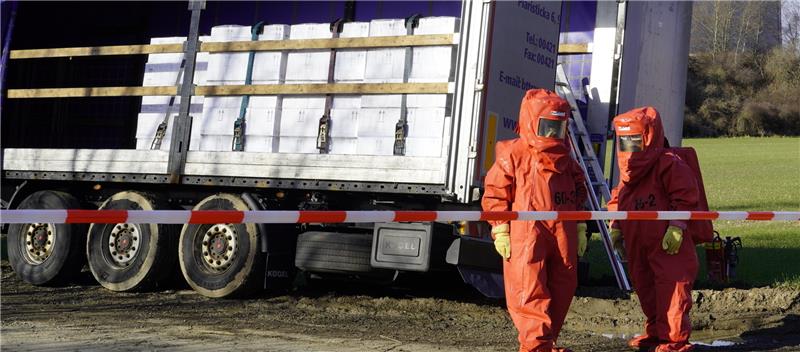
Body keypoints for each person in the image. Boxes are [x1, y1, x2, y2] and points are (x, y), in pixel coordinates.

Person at [482, 89, 588, 352]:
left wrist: (582, 224)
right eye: (548, 127)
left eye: (558, 127)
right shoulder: (514, 154)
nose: (553, 134)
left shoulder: (567, 159)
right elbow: (495, 192)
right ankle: (535, 345)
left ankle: (546, 341)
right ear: (532, 122)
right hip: (526, 232)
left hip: (563, 230)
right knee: (529, 288)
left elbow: (579, 189)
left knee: (563, 285)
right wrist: (501, 229)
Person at [607, 107, 700, 352]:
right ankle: (657, 332)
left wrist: (677, 226)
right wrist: (616, 227)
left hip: (668, 243)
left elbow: (686, 195)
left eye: (634, 140)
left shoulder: (669, 164)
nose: (630, 146)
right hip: (638, 241)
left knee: (672, 288)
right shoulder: (628, 171)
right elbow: (619, 197)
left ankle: (675, 340)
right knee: (645, 287)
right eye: (625, 141)